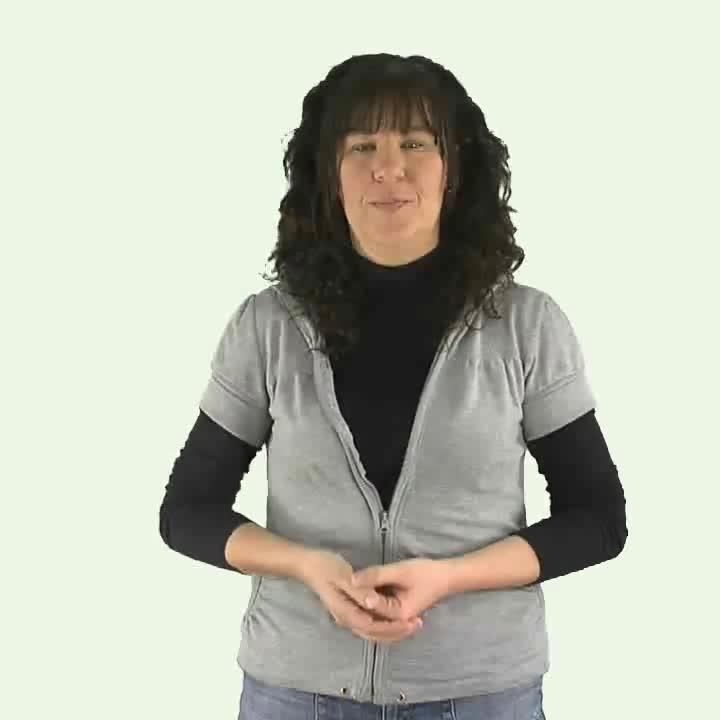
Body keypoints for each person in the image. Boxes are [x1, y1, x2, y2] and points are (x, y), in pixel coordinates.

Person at [159, 53, 628, 720]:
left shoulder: (528, 326)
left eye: (414, 143)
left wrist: (450, 577)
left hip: (480, 694)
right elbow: (186, 510)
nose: (388, 168)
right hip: (295, 692)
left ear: (454, 168)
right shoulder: (266, 328)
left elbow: (598, 518)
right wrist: (304, 565)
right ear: (328, 172)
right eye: (361, 146)